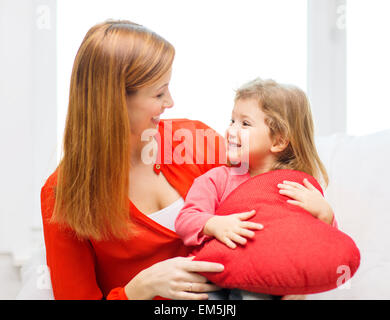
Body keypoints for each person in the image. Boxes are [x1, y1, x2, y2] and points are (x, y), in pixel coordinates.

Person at [174, 78, 337, 300]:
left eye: (245, 124)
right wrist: (214, 224)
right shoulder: (217, 179)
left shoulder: (297, 188)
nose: (232, 130)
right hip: (214, 278)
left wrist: (325, 214)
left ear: (279, 141)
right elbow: (185, 220)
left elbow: (324, 245)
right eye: (232, 120)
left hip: (266, 282)